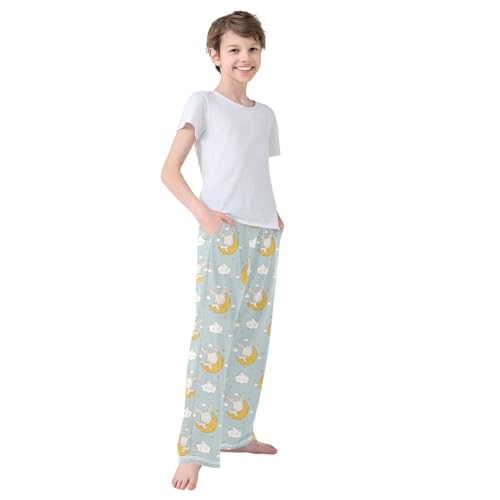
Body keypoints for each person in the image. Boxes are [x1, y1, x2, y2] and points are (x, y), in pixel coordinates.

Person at [161, 10, 284, 491]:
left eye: (252, 48)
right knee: (213, 342)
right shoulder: (203, 102)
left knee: (251, 338)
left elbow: (251, 169)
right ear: (215, 55)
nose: (244, 57)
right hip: (225, 233)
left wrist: (273, 216)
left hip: (264, 234)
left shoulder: (265, 114)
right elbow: (169, 171)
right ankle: (194, 450)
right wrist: (204, 215)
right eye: (234, 49)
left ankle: (235, 433)